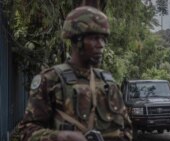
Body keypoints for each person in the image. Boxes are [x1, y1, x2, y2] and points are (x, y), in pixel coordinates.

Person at [17, 6, 132, 141]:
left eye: (103, 39)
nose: (101, 45)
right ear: (77, 40)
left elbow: (127, 129)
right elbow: (26, 131)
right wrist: (58, 137)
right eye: (95, 38)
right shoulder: (50, 79)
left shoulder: (108, 82)